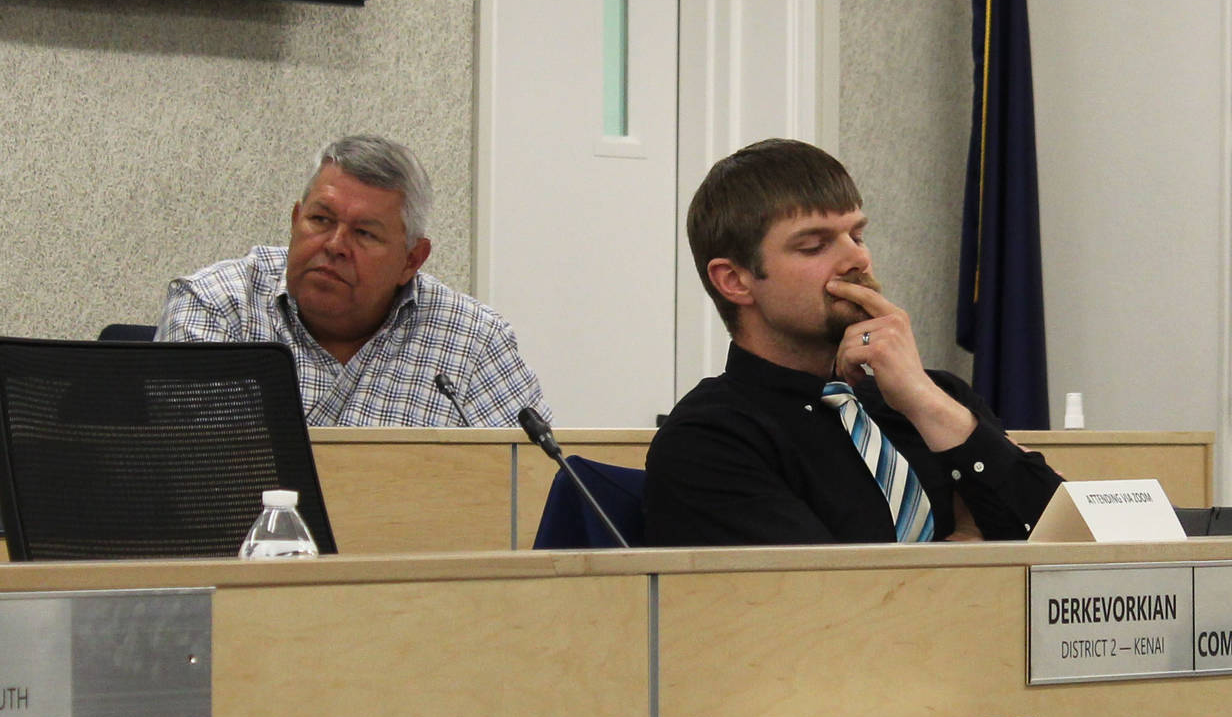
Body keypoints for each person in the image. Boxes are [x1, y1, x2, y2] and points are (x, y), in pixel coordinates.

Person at [642, 139, 1062, 546]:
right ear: (735, 281)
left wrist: (925, 403)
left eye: (857, 236)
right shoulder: (708, 439)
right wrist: (963, 553)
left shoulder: (932, 396)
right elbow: (829, 601)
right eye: (814, 246)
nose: (857, 259)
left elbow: (1071, 542)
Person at [157, 135, 550, 428]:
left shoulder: (473, 341)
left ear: (411, 260)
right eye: (321, 220)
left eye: (364, 233)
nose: (335, 245)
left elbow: (530, 490)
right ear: (296, 221)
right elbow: (188, 481)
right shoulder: (216, 308)